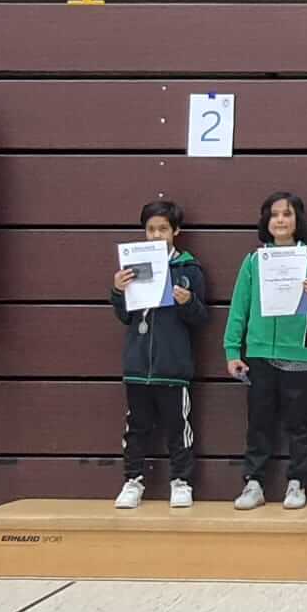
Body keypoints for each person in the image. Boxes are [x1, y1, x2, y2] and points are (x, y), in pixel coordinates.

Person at [226, 192, 307, 512]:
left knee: (299, 425)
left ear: (297, 220)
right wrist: (232, 350)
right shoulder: (253, 261)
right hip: (259, 354)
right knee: (259, 422)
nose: (281, 220)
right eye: (274, 214)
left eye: (287, 214)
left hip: (300, 356)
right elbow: (239, 307)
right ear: (266, 221)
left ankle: (297, 482)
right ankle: (254, 483)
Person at [109, 200, 209, 510]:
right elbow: (125, 316)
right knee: (136, 428)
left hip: (172, 366)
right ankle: (133, 481)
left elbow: (200, 317)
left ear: (176, 231)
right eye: (151, 229)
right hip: (138, 366)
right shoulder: (131, 267)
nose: (156, 235)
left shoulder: (189, 270)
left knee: (178, 428)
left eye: (163, 229)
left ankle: (181, 482)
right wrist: (117, 290)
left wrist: (187, 301)